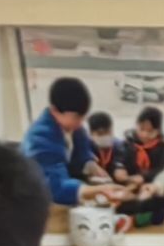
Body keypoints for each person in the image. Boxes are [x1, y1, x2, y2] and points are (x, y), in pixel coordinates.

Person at [23, 76, 118, 209]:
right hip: (39, 202)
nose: (80, 123)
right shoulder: (40, 139)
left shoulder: (73, 127)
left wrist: (89, 164)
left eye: (83, 117)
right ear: (55, 110)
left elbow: (81, 150)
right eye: (76, 117)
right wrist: (97, 190)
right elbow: (55, 188)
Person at [82, 110, 126, 186]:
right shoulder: (85, 146)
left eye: (107, 132)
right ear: (91, 133)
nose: (105, 136)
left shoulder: (119, 146)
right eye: (100, 133)